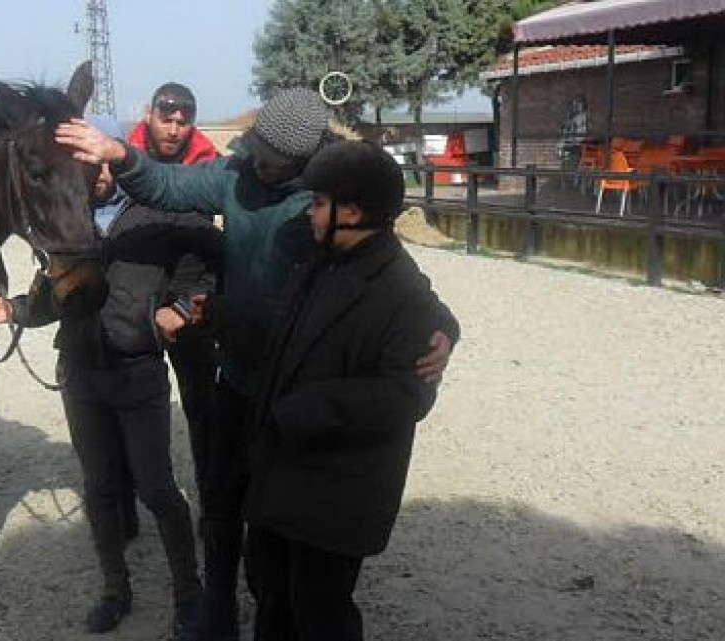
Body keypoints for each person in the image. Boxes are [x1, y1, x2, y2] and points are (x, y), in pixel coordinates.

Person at [54, 87, 459, 640]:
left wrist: (444, 332)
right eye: (253, 148)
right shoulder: (240, 178)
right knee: (222, 498)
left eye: (265, 154)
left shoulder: (326, 206)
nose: (252, 159)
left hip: (297, 389)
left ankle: (278, 607)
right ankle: (217, 607)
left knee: (283, 522)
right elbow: (171, 185)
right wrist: (120, 154)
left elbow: (397, 278)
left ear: (302, 163)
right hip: (241, 378)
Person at [0, 116, 221, 639]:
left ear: (111, 156)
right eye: (81, 165)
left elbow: (199, 267)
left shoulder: (155, 209)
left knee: (157, 489)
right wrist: (13, 309)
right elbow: (50, 296)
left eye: (97, 162)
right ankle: (114, 589)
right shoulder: (70, 218)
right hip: (82, 374)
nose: (93, 174)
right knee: (100, 488)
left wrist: (179, 306)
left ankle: (189, 595)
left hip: (137, 369)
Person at [244, 140, 449, 639]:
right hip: (283, 473)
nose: (310, 214)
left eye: (318, 203)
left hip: (336, 491)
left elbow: (408, 395)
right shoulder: (322, 260)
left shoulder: (400, 289)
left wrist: (308, 409)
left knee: (320, 611)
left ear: (352, 211)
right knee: (271, 595)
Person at [121, 83, 222, 526]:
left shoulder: (209, 165)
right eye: (167, 118)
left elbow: (225, 246)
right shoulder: (122, 158)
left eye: (184, 121)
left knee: (201, 404)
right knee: (127, 400)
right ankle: (124, 502)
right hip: (135, 294)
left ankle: (210, 499)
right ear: (150, 114)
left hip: (189, 295)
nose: (175, 129)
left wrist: (188, 305)